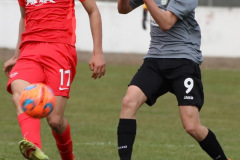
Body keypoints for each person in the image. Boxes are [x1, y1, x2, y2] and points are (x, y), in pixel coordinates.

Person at [117, 0, 230, 160]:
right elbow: (123, 9)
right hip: (155, 59)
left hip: (183, 61)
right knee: (129, 101)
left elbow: (166, 22)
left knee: (192, 126)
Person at [4, 0, 105, 159]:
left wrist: (98, 52)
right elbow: (24, 18)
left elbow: (93, 11)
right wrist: (17, 55)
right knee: (21, 95)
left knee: (55, 120)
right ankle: (34, 150)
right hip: (29, 50)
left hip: (60, 50)